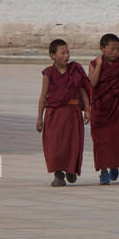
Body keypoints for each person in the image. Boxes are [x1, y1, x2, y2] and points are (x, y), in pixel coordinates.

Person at [36, 39, 90, 187]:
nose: (67, 56)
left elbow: (82, 90)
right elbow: (43, 96)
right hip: (54, 114)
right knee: (55, 145)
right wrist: (39, 118)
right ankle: (58, 174)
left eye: (68, 52)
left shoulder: (75, 70)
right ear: (52, 55)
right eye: (63, 53)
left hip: (72, 113)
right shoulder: (48, 74)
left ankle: (71, 169)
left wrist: (87, 109)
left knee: (72, 144)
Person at [88, 33, 119, 185]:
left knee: (117, 141)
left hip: (118, 110)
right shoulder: (94, 63)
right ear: (102, 48)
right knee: (100, 142)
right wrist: (100, 64)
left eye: (118, 49)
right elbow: (93, 83)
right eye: (112, 49)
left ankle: (114, 165)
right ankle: (103, 172)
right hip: (100, 110)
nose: (116, 52)